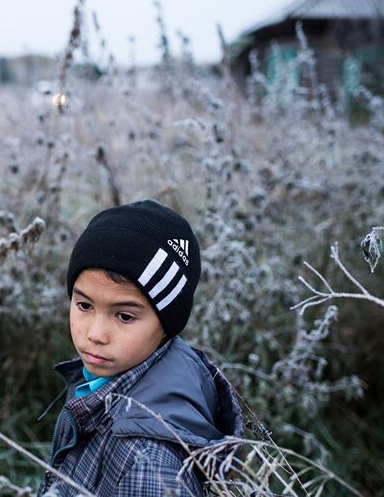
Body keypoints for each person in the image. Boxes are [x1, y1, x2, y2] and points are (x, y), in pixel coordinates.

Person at [38, 199, 244, 496]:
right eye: (84, 305)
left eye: (124, 316)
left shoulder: (147, 465)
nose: (95, 334)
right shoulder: (105, 376)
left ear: (166, 324)